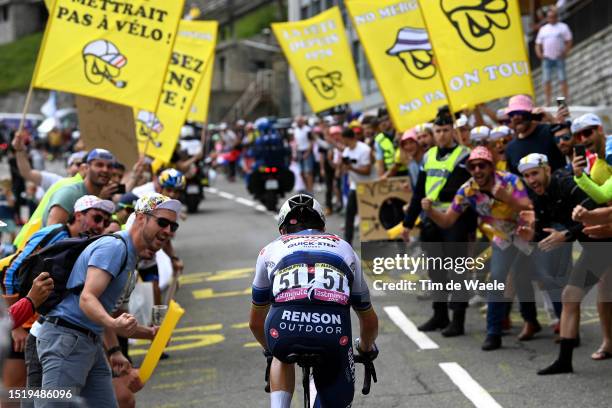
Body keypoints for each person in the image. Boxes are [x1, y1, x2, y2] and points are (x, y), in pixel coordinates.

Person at [35, 193, 180, 407]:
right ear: (141, 218)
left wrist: (144, 336)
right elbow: (87, 299)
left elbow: (105, 310)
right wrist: (113, 324)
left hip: (88, 341)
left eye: (173, 226)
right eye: (162, 222)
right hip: (67, 339)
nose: (168, 230)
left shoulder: (130, 256)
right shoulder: (115, 248)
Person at [249, 194, 379, 408]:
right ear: (322, 227)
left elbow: (255, 323)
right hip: (334, 335)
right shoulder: (344, 247)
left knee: (280, 354)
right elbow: (368, 320)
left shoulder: (269, 250)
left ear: (282, 230)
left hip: (283, 331)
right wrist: (365, 348)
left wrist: (270, 349)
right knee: (337, 397)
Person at [2, 195, 114, 403]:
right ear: (78, 215)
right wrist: (15, 326)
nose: (101, 226)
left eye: (106, 222)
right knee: (15, 390)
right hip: (20, 321)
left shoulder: (85, 244)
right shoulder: (54, 234)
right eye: (97, 218)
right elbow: (10, 272)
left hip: (44, 322)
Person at [423, 147, 536, 350]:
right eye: (472, 166)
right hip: (502, 237)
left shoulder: (509, 180)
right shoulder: (467, 190)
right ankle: (493, 333)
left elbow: (528, 206)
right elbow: (448, 220)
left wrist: (508, 198)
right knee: (497, 278)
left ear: (491, 167)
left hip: (526, 230)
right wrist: (430, 211)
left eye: (481, 165)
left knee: (527, 277)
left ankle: (535, 321)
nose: (477, 170)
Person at [402, 107, 475, 337]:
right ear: (433, 132)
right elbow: (418, 192)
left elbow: (458, 189)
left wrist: (430, 201)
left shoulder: (464, 155)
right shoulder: (429, 156)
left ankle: (458, 319)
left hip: (455, 221)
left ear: (453, 130)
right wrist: (407, 222)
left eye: (446, 130)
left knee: (457, 272)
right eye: (438, 130)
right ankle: (440, 314)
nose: (442, 134)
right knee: (436, 271)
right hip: (430, 221)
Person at [44, 149, 118, 226]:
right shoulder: (69, 194)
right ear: (86, 168)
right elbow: (52, 233)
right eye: (99, 165)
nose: (105, 170)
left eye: (109, 166)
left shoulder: (104, 199)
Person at [504, 95, 565, 175]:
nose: (515, 117)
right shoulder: (510, 149)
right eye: (511, 114)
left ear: (531, 113)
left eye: (519, 112)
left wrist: (553, 121)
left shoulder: (549, 131)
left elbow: (569, 147)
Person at [341, 128, 375, 246]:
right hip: (355, 186)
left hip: (368, 185)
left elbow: (367, 170)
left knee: (371, 213)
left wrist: (351, 168)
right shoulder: (346, 151)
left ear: (350, 138)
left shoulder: (364, 149)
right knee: (350, 213)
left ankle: (374, 238)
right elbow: (346, 169)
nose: (344, 143)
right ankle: (347, 241)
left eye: (344, 140)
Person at [535, 6, 572, 106]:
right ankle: (548, 101)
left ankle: (565, 100)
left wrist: (565, 51)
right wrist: (539, 53)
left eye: (553, 16)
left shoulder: (563, 27)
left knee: (562, 78)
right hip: (547, 58)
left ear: (556, 17)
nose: (551, 19)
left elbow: (568, 40)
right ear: (547, 18)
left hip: (559, 57)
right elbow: (538, 43)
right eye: (549, 17)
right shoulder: (543, 29)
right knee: (546, 80)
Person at [572, 113, 612, 204]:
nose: (584, 140)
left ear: (600, 129)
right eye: (579, 136)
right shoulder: (596, 172)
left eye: (587, 133)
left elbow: (603, 195)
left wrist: (580, 177)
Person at [293, 117, 314, 194]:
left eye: (299, 121)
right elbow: (296, 143)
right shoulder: (295, 130)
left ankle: (310, 190)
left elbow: (311, 142)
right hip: (299, 151)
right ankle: (306, 188)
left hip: (306, 150)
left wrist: (308, 153)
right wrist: (295, 153)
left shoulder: (307, 130)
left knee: (308, 172)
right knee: (301, 172)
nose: (298, 123)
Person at [373, 110, 396, 177]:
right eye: (380, 121)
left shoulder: (400, 132)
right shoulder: (379, 139)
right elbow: (380, 161)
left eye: (386, 120)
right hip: (390, 174)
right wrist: (381, 177)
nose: (383, 123)